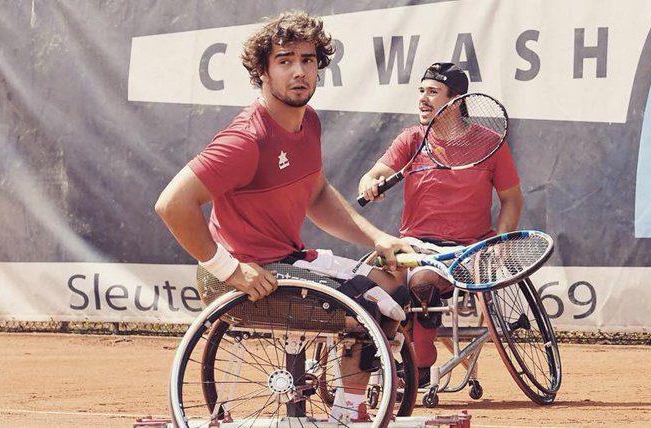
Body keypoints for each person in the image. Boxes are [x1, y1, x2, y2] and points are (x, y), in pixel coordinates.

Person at [155, 11, 411, 422]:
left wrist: (378, 239)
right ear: (263, 71)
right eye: (285, 60)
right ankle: (350, 413)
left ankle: (350, 408)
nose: (299, 72)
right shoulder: (246, 140)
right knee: (371, 302)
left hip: (286, 263)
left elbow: (318, 195)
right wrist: (230, 268)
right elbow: (172, 204)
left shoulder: (307, 122)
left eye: (307, 60)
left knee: (393, 280)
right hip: (244, 279)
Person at [358, 62, 524, 387]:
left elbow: (512, 200)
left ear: (455, 100)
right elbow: (375, 173)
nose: (422, 98)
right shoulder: (410, 139)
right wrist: (369, 183)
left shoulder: (490, 144)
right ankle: (366, 362)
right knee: (365, 280)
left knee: (422, 281)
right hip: (413, 246)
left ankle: (419, 364)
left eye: (432, 92)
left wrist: (501, 241)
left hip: (466, 250)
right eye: (421, 91)